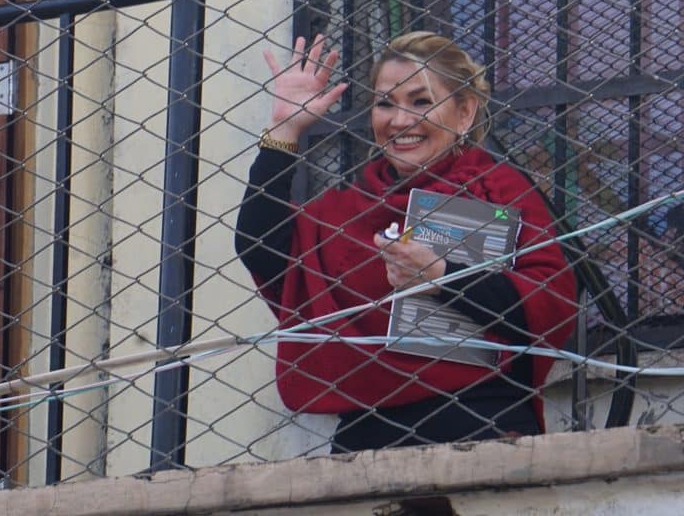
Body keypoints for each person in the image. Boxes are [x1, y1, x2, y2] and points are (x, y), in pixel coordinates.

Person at [235, 32, 577, 453]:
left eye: (421, 102)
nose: (399, 121)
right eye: (385, 103)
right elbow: (263, 250)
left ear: (464, 111)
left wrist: (443, 277)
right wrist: (284, 130)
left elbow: (548, 305)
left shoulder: (500, 190)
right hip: (366, 436)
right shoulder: (349, 208)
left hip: (482, 424)